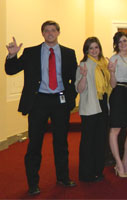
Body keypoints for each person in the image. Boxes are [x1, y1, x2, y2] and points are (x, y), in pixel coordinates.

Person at [5, 20, 77, 195]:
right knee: (34, 145)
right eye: (46, 30)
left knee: (61, 142)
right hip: (39, 102)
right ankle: (33, 184)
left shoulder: (68, 53)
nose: (50, 33)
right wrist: (12, 55)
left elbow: (75, 78)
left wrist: (70, 98)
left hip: (60, 102)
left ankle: (63, 177)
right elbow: (11, 70)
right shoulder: (31, 52)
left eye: (53, 30)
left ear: (58, 32)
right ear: (42, 34)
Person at [76, 37, 112, 182]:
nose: (94, 50)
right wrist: (84, 76)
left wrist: (112, 71)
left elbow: (110, 86)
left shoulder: (104, 64)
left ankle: (98, 170)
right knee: (88, 141)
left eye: (96, 47)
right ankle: (86, 173)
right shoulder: (83, 65)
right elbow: (79, 89)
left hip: (103, 104)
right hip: (90, 105)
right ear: (86, 50)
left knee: (100, 140)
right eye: (91, 48)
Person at [108, 32, 127, 178]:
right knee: (116, 130)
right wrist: (112, 72)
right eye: (119, 42)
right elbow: (112, 85)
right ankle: (118, 164)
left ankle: (125, 161)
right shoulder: (114, 58)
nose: (122, 44)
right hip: (119, 93)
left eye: (124, 41)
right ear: (116, 44)